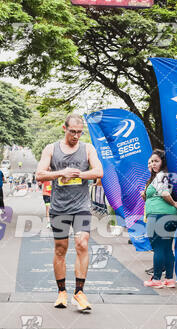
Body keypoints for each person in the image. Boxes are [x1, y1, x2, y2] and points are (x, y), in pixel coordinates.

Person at [35, 114, 103, 311]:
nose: (76, 136)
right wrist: (60, 173)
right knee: (60, 249)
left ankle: (79, 293)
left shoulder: (87, 148)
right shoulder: (51, 149)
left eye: (79, 132)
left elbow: (99, 172)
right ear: (64, 129)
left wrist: (80, 174)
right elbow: (39, 174)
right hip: (59, 207)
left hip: (81, 206)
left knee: (82, 243)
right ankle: (62, 292)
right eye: (72, 131)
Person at [141, 149, 177, 288]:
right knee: (167, 248)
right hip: (170, 216)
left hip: (158, 216)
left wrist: (174, 204)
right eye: (151, 161)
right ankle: (170, 279)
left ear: (163, 162)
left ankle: (157, 279)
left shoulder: (161, 176)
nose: (153, 164)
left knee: (158, 248)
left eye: (156, 161)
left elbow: (164, 193)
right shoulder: (166, 176)